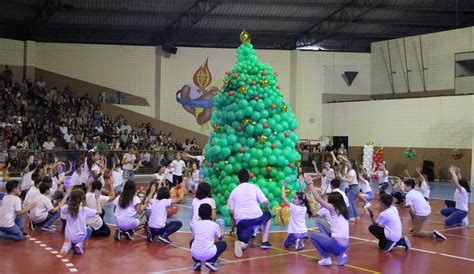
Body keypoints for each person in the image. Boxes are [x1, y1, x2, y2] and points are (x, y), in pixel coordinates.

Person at [304, 176, 349, 266]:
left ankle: (326, 258)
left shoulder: (333, 208)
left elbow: (318, 199)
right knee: (331, 239)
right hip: (345, 245)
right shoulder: (344, 209)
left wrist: (310, 184)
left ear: (332, 201)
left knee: (313, 236)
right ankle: (340, 255)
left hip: (336, 244)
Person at [228, 169, 272, 258]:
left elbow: (232, 212)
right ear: (249, 178)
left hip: (242, 221)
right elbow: (265, 202)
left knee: (244, 244)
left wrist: (233, 227)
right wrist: (267, 210)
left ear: (238, 179)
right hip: (256, 217)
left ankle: (240, 244)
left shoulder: (233, 191)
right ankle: (265, 242)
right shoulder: (254, 187)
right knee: (268, 216)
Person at [60, 188, 100, 255]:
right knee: (89, 229)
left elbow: (60, 207)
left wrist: (66, 196)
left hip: (68, 236)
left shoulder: (67, 207)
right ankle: (79, 244)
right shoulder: (84, 209)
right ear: (82, 199)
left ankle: (67, 243)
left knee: (69, 236)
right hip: (80, 236)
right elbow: (99, 212)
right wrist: (97, 199)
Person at [190, 204, 227, 272]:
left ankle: (197, 262)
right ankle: (211, 261)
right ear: (210, 214)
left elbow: (195, 237)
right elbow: (220, 238)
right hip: (209, 253)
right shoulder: (214, 225)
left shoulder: (194, 224)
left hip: (195, 253)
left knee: (192, 241)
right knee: (223, 244)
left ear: (199, 214)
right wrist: (222, 230)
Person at [281, 178, 311, 251]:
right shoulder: (305, 208)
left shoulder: (294, 208)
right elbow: (303, 195)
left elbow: (284, 197)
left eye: (295, 198)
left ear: (300, 201)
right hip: (304, 232)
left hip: (296, 233)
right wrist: (300, 184)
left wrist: (283, 185)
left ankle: (298, 240)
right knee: (294, 238)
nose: (293, 199)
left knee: (285, 244)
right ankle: (300, 241)